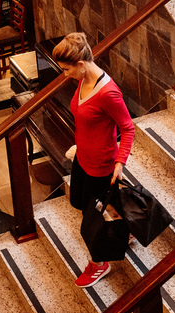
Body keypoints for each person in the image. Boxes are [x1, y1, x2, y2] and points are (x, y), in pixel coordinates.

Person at [53, 33, 134, 288]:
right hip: (82, 157)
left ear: (80, 64)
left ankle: (99, 263)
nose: (64, 75)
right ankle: (128, 230)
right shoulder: (84, 79)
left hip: (101, 165)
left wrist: (119, 162)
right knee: (78, 201)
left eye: (66, 70)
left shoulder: (108, 93)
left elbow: (128, 128)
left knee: (92, 218)